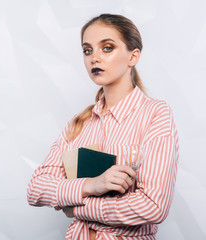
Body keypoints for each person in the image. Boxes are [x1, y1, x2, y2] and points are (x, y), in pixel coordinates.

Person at [27, 13, 179, 240]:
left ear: (133, 56)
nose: (94, 58)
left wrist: (75, 209)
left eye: (107, 48)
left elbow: (153, 206)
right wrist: (91, 185)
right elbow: (36, 189)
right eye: (87, 50)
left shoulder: (155, 114)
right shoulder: (79, 123)